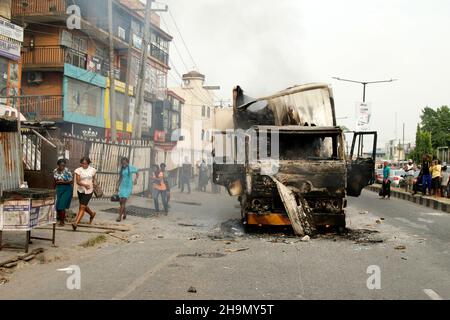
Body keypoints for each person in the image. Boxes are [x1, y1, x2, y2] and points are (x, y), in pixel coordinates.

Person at [72, 157, 97, 231]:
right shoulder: (78, 170)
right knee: (83, 206)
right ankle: (92, 214)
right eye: (82, 163)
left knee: (82, 207)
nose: (84, 165)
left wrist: (94, 184)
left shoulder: (93, 170)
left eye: (85, 164)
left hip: (89, 191)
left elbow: (93, 179)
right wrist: (85, 185)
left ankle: (76, 223)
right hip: (81, 191)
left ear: (88, 163)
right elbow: (78, 181)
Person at [116, 157, 139, 222]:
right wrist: (117, 186)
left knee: (123, 201)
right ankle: (124, 213)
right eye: (123, 162)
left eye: (125, 162)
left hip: (128, 186)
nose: (124, 164)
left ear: (127, 162)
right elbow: (120, 178)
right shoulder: (122, 169)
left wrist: (135, 179)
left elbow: (137, 172)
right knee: (121, 202)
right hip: (122, 186)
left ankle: (119, 216)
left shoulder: (131, 167)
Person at [53, 159, 73, 226]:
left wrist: (63, 182)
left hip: (67, 189)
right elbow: (54, 181)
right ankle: (61, 218)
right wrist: (53, 190)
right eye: (61, 165)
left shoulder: (67, 171)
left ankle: (62, 222)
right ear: (58, 165)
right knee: (57, 205)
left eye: (64, 165)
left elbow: (71, 181)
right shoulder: (55, 171)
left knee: (62, 205)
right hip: (58, 188)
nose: (63, 167)